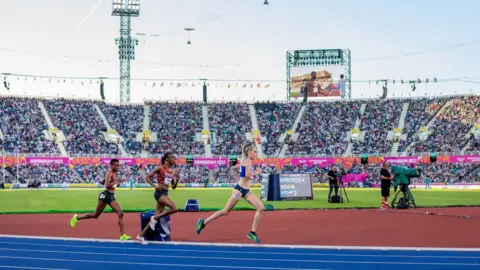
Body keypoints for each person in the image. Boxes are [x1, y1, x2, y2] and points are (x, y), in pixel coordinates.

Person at [195, 143, 264, 243]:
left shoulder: (246, 161)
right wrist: (256, 173)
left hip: (246, 191)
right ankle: (203, 222)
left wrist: (239, 176)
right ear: (249, 152)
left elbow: (236, 170)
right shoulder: (248, 161)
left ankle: (252, 232)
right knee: (225, 211)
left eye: (256, 152)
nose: (256, 153)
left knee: (261, 207)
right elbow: (247, 174)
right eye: (254, 151)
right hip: (239, 190)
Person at [70, 159, 131, 241]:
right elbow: (107, 185)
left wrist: (116, 183)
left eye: (118, 165)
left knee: (118, 214)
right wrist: (116, 181)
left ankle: (122, 235)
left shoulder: (112, 174)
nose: (118, 167)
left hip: (110, 196)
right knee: (97, 215)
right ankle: (76, 217)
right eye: (116, 166)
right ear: (112, 165)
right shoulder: (109, 173)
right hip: (106, 195)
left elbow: (104, 183)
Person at [136, 152, 179, 245]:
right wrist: (154, 186)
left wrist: (177, 180)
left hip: (165, 193)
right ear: (167, 159)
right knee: (174, 208)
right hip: (159, 194)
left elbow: (174, 187)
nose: (174, 159)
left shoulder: (172, 171)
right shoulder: (160, 168)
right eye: (172, 157)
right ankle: (154, 217)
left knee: (155, 220)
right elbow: (147, 178)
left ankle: (140, 236)